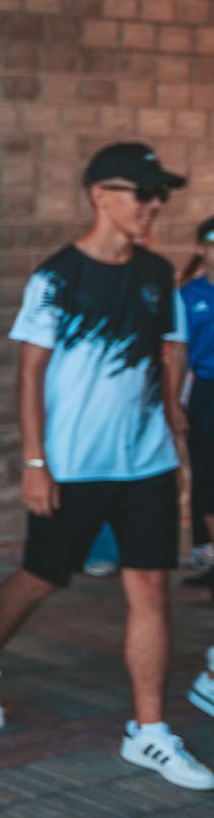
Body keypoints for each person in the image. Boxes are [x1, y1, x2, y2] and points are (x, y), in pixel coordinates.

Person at [0, 143, 214, 791]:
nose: (154, 206)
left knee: (149, 587)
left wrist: (173, 426)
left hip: (146, 465)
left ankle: (148, 730)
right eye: (142, 193)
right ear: (101, 194)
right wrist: (34, 462)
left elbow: (170, 353)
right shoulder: (56, 278)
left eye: (160, 195)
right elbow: (30, 375)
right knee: (41, 576)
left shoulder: (158, 275)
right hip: (72, 465)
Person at [178, 215, 214, 587]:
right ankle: (206, 550)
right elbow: (177, 355)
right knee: (205, 472)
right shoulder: (188, 296)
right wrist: (175, 403)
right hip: (205, 391)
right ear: (201, 249)